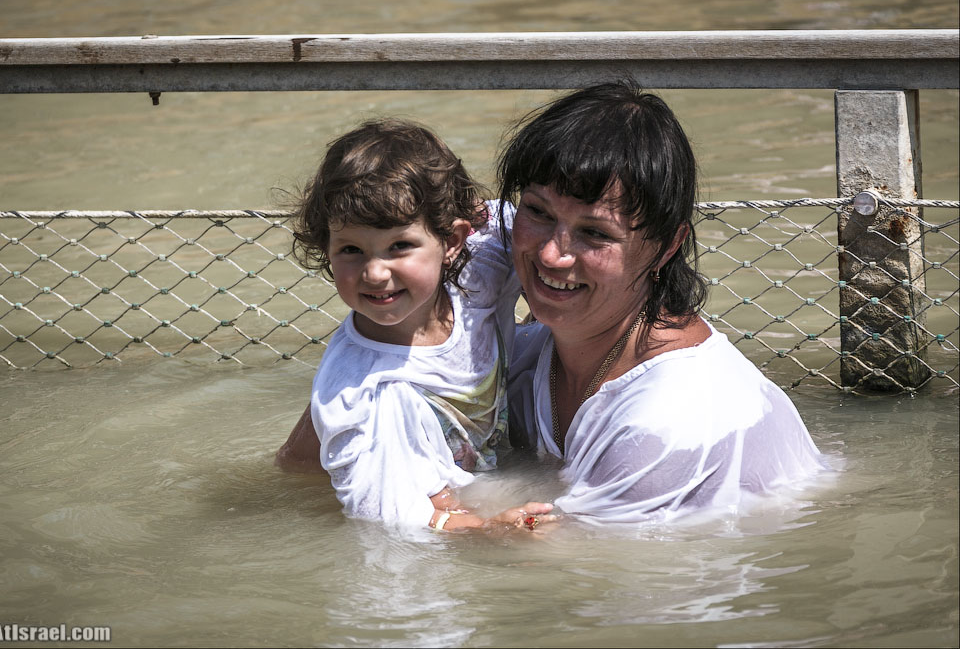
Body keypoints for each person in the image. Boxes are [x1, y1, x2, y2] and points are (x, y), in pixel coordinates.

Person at [501, 80, 827, 522]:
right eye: (537, 212)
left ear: (667, 246)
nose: (550, 255)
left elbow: (587, 569)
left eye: (595, 233)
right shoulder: (527, 355)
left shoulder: (668, 419)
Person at [283, 118, 555, 532]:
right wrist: (487, 530)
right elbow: (386, 514)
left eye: (400, 246)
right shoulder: (364, 394)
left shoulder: (481, 268)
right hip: (322, 480)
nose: (375, 273)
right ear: (327, 249)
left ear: (452, 242)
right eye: (351, 249)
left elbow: (510, 221)